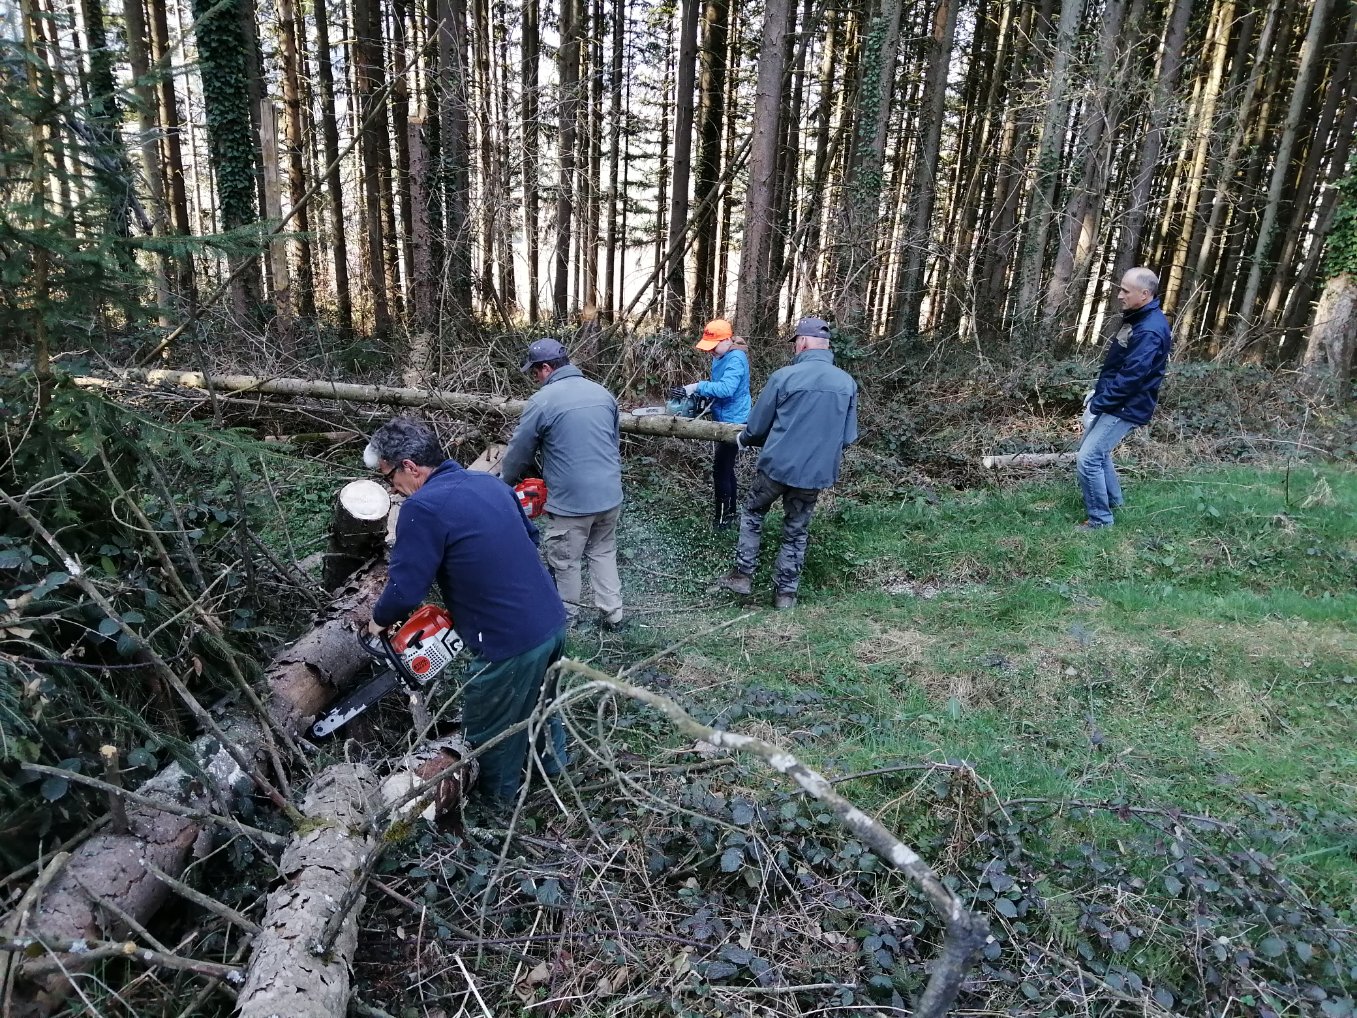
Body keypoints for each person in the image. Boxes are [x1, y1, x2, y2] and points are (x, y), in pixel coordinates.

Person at [363, 417, 568, 803]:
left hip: (507, 643)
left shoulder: (422, 508)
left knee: (490, 729)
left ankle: (497, 806)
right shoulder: (490, 483)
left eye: (390, 476)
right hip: (551, 622)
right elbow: (530, 536)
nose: (393, 487)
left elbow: (405, 589)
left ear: (410, 466)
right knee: (542, 705)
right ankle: (555, 773)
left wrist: (378, 621)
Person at [714, 316, 858, 610]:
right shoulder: (847, 383)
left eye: (796, 343)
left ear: (803, 342)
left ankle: (743, 575)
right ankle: (785, 595)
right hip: (813, 475)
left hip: (776, 468)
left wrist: (745, 439)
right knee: (796, 530)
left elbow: (756, 426)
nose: (795, 348)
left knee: (753, 513)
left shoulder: (784, 377)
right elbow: (848, 436)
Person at [500, 338, 626, 629]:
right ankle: (613, 614)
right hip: (610, 495)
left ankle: (567, 620)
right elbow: (612, 443)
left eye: (535, 372)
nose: (535, 378)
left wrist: (503, 484)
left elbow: (519, 451)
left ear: (546, 368)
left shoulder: (543, 401)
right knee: (602, 552)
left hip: (571, 502)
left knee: (566, 560)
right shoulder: (603, 393)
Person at [1077, 266, 1173, 530]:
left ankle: (1100, 520)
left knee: (1088, 459)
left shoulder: (1149, 330)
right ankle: (1115, 501)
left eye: (1125, 291)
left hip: (1126, 404)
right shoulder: (1140, 318)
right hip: (1116, 399)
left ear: (1144, 294)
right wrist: (1101, 393)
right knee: (1096, 451)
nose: (1119, 295)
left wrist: (1101, 402)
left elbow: (1132, 377)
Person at [668, 318, 751, 530]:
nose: (711, 351)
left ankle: (722, 520)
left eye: (714, 347)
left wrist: (696, 387)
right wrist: (700, 397)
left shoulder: (736, 359)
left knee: (720, 470)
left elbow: (726, 389)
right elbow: (717, 387)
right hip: (722, 416)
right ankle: (730, 513)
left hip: (734, 421)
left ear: (726, 340)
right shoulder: (720, 356)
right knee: (726, 468)